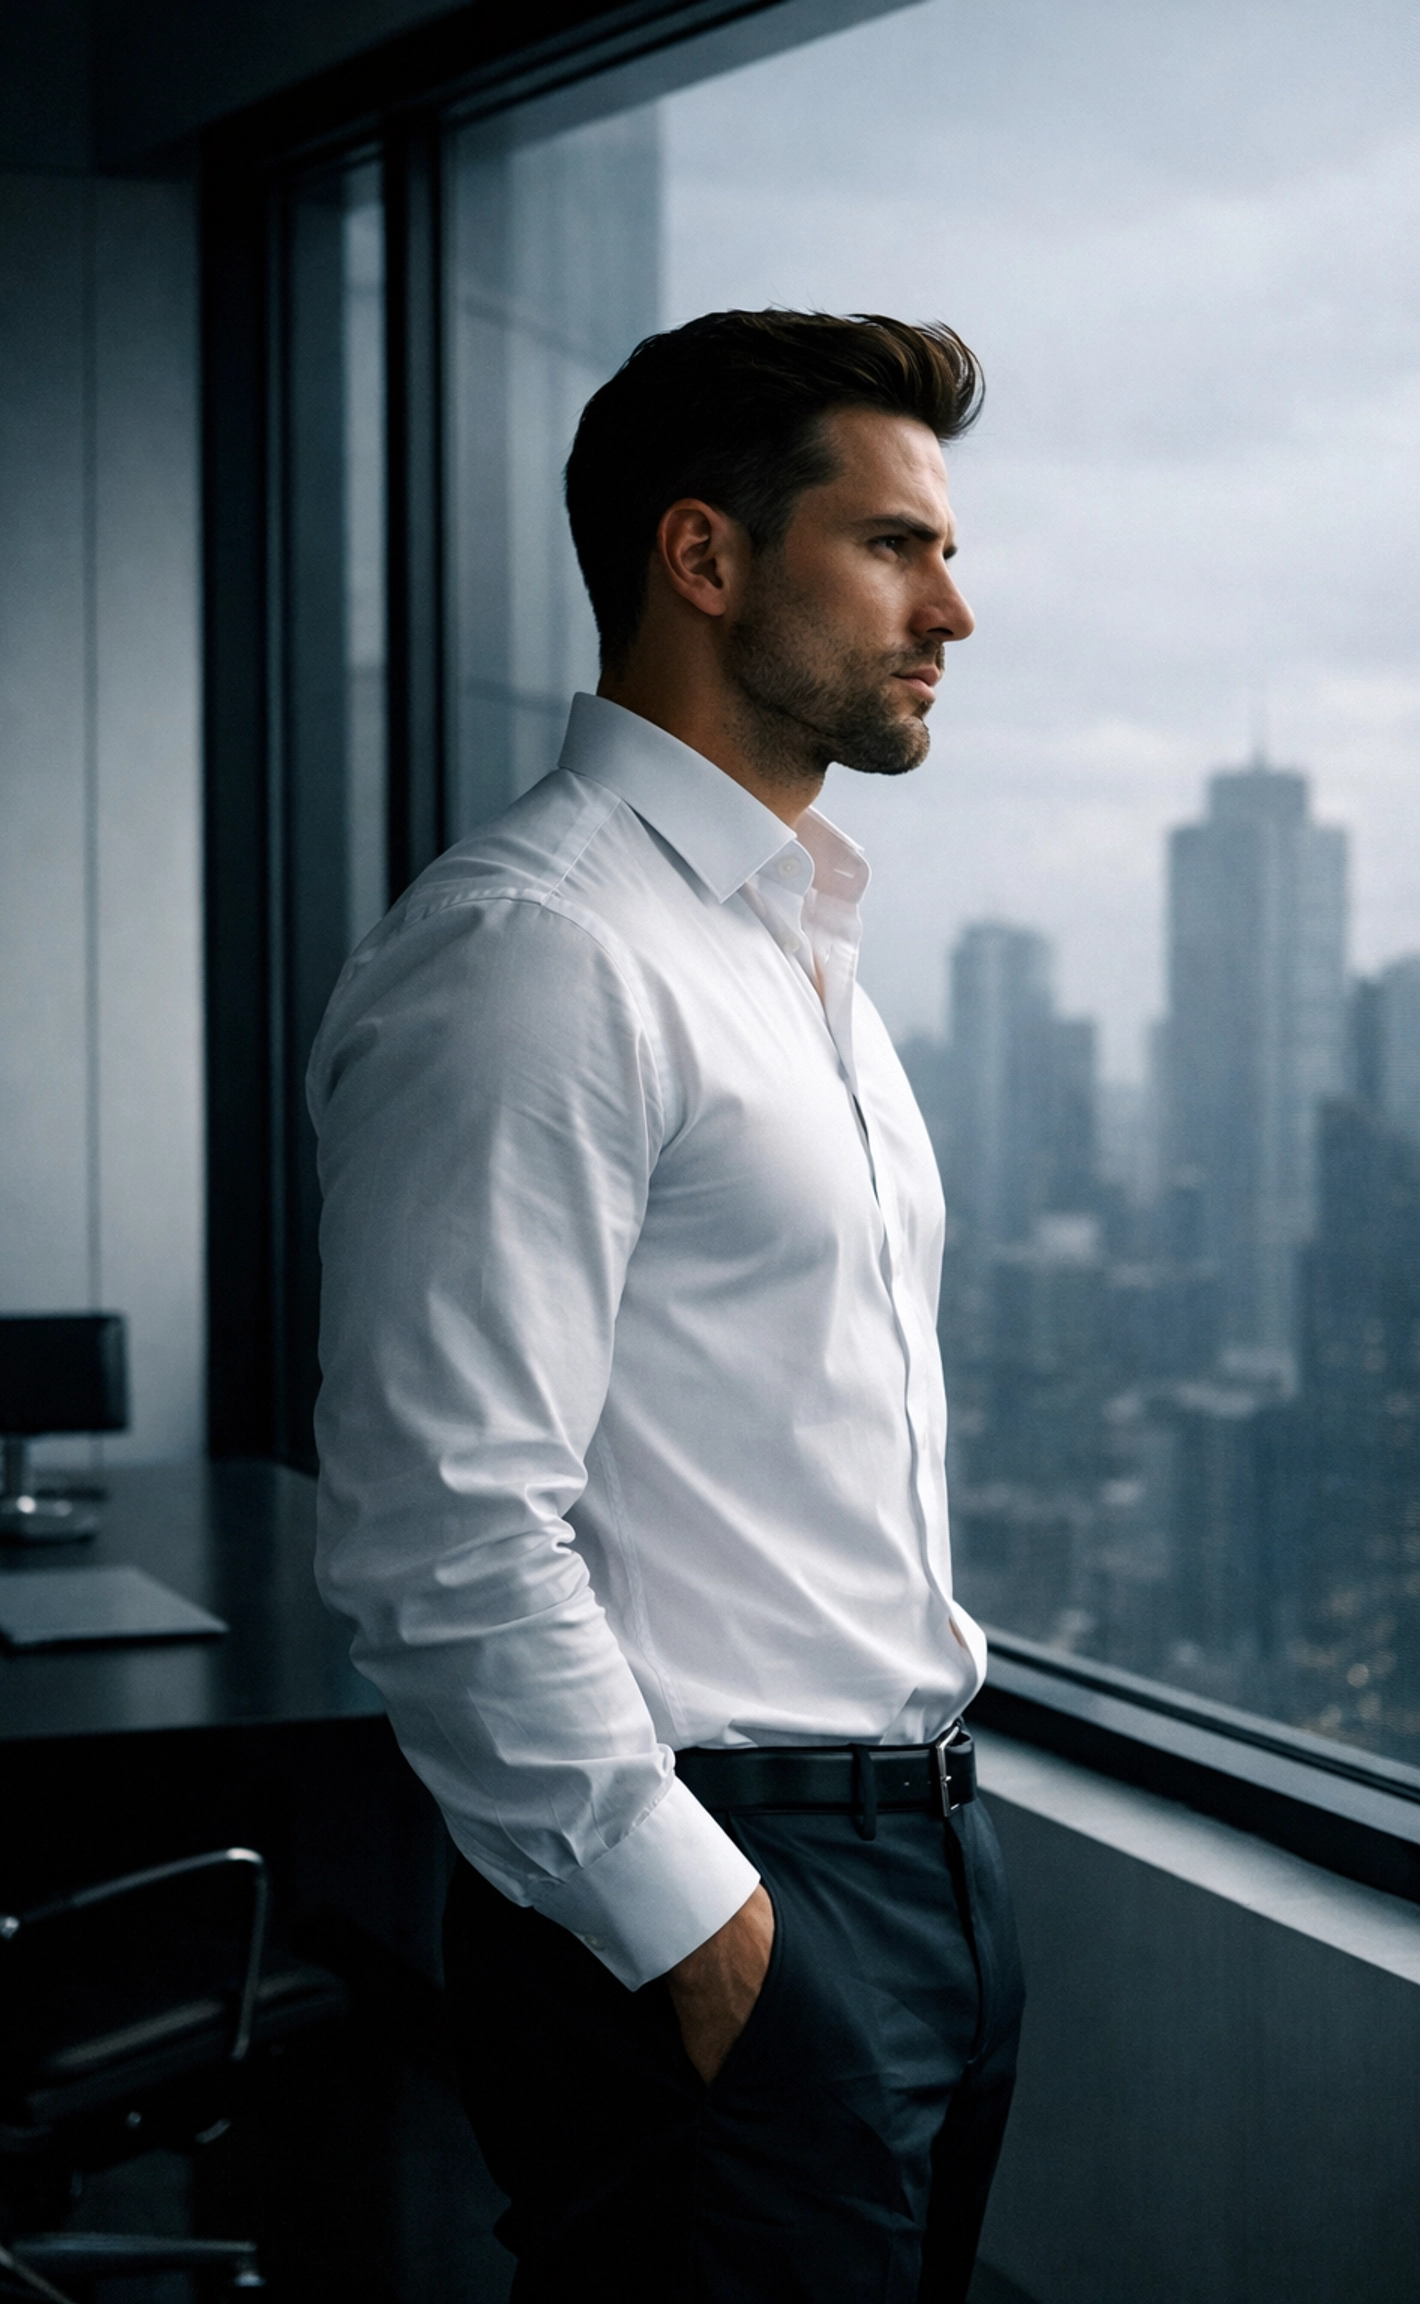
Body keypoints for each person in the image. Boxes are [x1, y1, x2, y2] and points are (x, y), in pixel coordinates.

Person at [310, 309, 1024, 2303]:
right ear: (702, 561)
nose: (955, 610)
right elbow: (442, 1533)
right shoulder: (538, 955)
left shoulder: (790, 942)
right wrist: (710, 1940)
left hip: (920, 1868)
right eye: (896, 545)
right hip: (727, 1885)